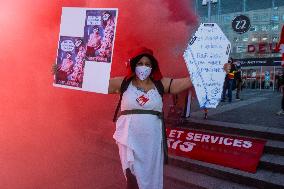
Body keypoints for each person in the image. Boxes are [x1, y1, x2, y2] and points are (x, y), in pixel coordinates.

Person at [108, 47, 192, 189]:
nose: (144, 67)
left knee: (151, 177)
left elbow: (187, 81)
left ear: (153, 67)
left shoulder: (161, 83)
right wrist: (63, 71)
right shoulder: (122, 83)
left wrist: (218, 70)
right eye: (140, 63)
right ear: (134, 64)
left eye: (147, 64)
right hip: (129, 139)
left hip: (152, 142)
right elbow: (91, 82)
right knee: (132, 178)